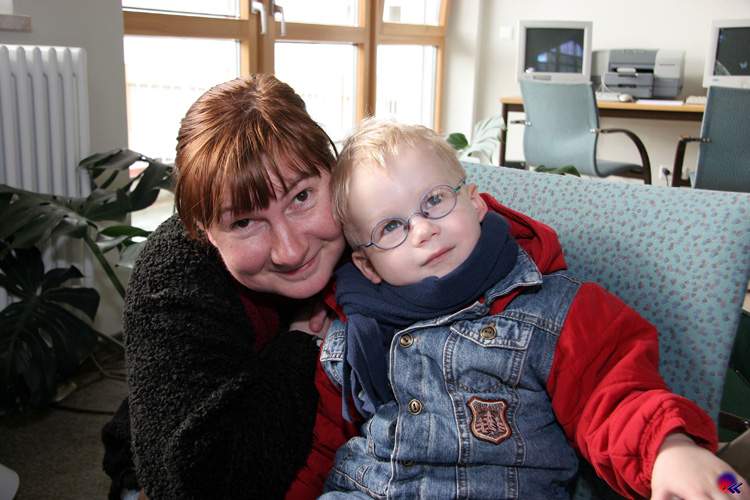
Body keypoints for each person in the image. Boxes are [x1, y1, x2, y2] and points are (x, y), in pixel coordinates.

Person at [289, 119, 748, 499]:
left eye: (434, 200)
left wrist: (669, 449)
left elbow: (614, 396)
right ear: (367, 266)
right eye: (391, 226)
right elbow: (318, 446)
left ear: (475, 202)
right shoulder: (351, 331)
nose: (423, 230)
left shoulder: (555, 308)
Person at [101, 74, 347, 499]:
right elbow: (190, 485)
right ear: (203, 230)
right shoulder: (173, 278)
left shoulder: (372, 219)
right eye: (244, 222)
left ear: (335, 172)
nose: (290, 251)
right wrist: (300, 346)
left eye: (302, 197)